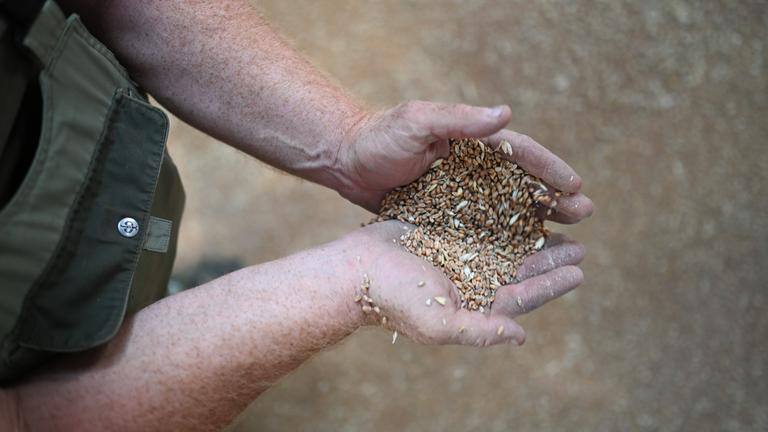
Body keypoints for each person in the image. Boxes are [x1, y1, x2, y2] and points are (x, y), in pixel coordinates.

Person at [0, 0, 593, 430]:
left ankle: (164, 308)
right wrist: (350, 282)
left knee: (143, 261)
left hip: (93, 160)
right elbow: (28, 420)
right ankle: (169, 327)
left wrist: (346, 142)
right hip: (22, 337)